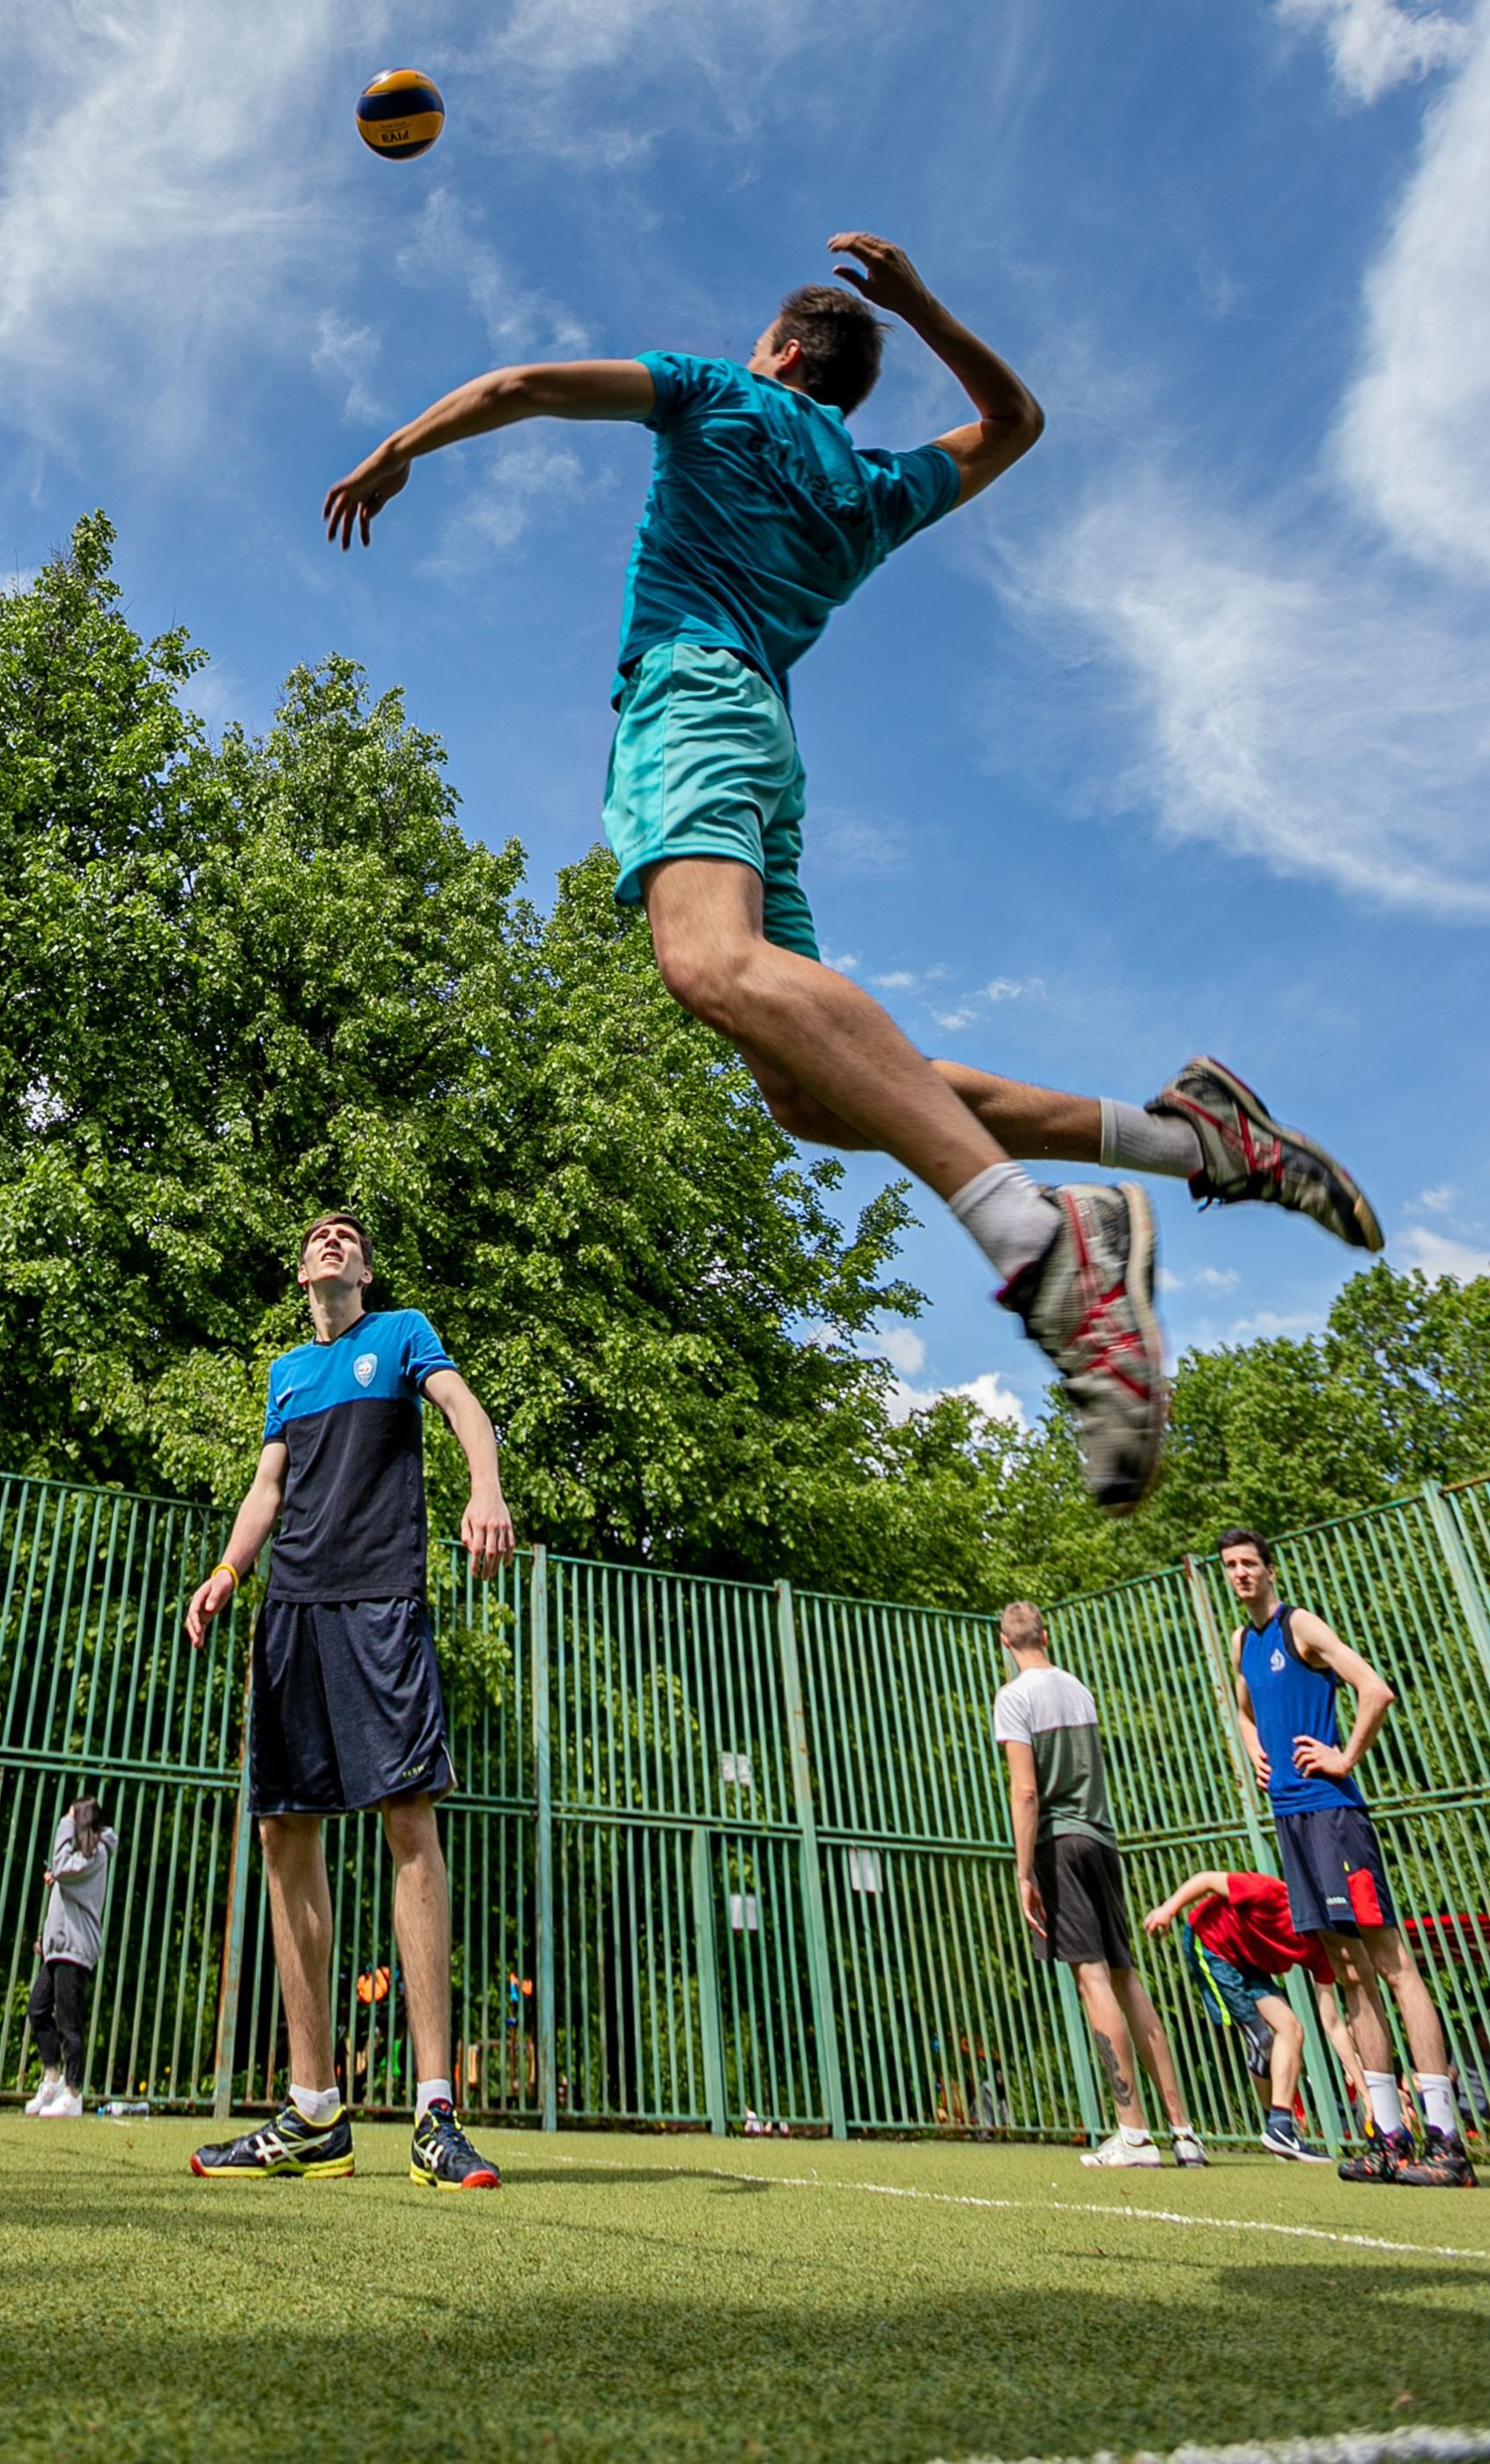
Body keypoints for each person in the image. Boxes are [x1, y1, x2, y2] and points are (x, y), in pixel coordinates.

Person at [323, 241, 1381, 1511]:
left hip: (695, 701)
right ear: (850, 381)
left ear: (779, 352)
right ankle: (1187, 1137)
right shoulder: (878, 488)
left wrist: (396, 446)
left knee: (708, 965)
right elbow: (1017, 422)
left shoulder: (718, 393)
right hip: (766, 745)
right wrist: (923, 303)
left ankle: (1044, 1245)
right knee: (816, 1095)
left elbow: (523, 386)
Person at [184, 1213, 513, 2188]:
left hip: (379, 1603)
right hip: (291, 1612)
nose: (332, 1239)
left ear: (363, 1268)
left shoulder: (401, 1332)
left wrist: (484, 1486)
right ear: (301, 1270)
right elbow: (266, 1487)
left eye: (348, 1235)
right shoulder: (286, 1372)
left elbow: (461, 1404)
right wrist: (228, 1569)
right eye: (319, 1234)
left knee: (404, 1815)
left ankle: (432, 2109)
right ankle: (313, 2109)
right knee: (282, 1830)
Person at [1219, 1527, 1476, 2187]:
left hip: (1334, 1816)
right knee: (1347, 1973)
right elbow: (1242, 1710)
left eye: (1249, 1563)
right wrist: (1249, 1743)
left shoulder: (1297, 1625)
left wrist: (1344, 1757)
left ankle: (1445, 2142)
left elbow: (1375, 1689)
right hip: (1290, 1823)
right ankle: (1388, 2136)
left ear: (1269, 1570)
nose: (1240, 1574)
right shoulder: (1242, 1643)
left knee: (1390, 1963)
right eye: (1230, 1566)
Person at [992, 1603, 1205, 2167]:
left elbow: (1026, 1792)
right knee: (1126, 1977)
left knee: (1092, 1981)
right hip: (1103, 1841)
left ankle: (1133, 2133)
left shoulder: (1013, 1697)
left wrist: (1021, 1873)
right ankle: (1183, 2133)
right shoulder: (1078, 1689)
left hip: (1058, 1845)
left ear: (1004, 1642)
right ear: (1046, 1635)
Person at [1144, 1864, 1362, 2162]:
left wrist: (1365, 2090)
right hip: (1211, 1946)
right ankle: (1277, 2125)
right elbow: (1207, 1880)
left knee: (1292, 2029)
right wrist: (1167, 1910)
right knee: (1261, 2040)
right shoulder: (1271, 1894)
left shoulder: (1324, 1949)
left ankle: (1280, 2129)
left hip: (1248, 1962)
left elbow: (1333, 2023)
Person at [24, 1794, 120, 2121]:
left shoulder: (96, 1857)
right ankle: (52, 2079)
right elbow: (64, 1881)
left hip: (75, 1951)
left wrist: (66, 1820)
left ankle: (74, 2092)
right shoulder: (80, 1859)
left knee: (69, 2023)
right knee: (37, 2010)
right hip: (59, 1948)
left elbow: (63, 1868)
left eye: (71, 1821)